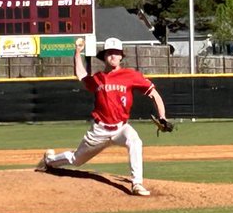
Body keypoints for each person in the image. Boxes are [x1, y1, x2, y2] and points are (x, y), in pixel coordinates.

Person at [37, 36, 169, 196]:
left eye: (116, 53)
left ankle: (137, 184)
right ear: (104, 57)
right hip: (99, 130)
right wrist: (77, 53)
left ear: (121, 56)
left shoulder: (131, 75)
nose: (113, 56)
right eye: (109, 53)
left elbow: (154, 94)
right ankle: (49, 161)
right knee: (76, 160)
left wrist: (162, 117)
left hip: (121, 128)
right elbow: (81, 75)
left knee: (135, 141)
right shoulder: (98, 78)